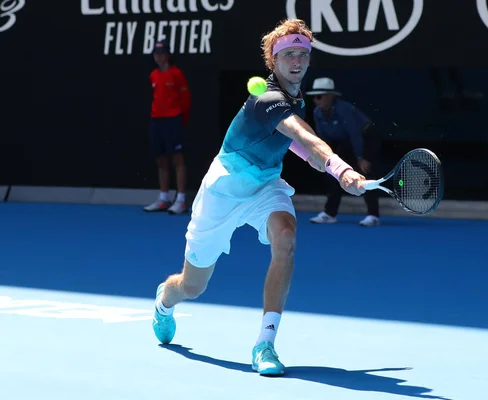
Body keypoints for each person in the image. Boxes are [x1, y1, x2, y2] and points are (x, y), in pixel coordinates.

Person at [151, 19, 366, 377]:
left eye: (303, 54)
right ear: (274, 61)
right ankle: (163, 302)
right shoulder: (267, 98)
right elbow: (303, 135)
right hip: (223, 189)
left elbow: (301, 147)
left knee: (286, 239)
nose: (296, 61)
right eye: (288, 55)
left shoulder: (293, 100)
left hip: (265, 185)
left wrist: (334, 170)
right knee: (191, 286)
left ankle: (265, 343)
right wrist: (340, 166)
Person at [306, 77, 381, 227]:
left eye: (319, 96)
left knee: (365, 175)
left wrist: (361, 158)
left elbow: (355, 135)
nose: (316, 100)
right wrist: (326, 160)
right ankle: (330, 214)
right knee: (335, 174)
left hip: (365, 140)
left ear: (330, 96)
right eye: (314, 97)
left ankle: (373, 216)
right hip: (343, 142)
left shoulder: (343, 109)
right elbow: (323, 140)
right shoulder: (317, 113)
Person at [143, 40, 191, 215]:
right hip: (157, 120)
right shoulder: (153, 75)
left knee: (177, 159)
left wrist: (180, 120)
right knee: (161, 160)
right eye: (156, 53)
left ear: (168, 55)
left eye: (162, 53)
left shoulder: (176, 74)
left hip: (173, 120)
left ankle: (181, 200)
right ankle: (164, 198)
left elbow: (185, 101)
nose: (159, 56)